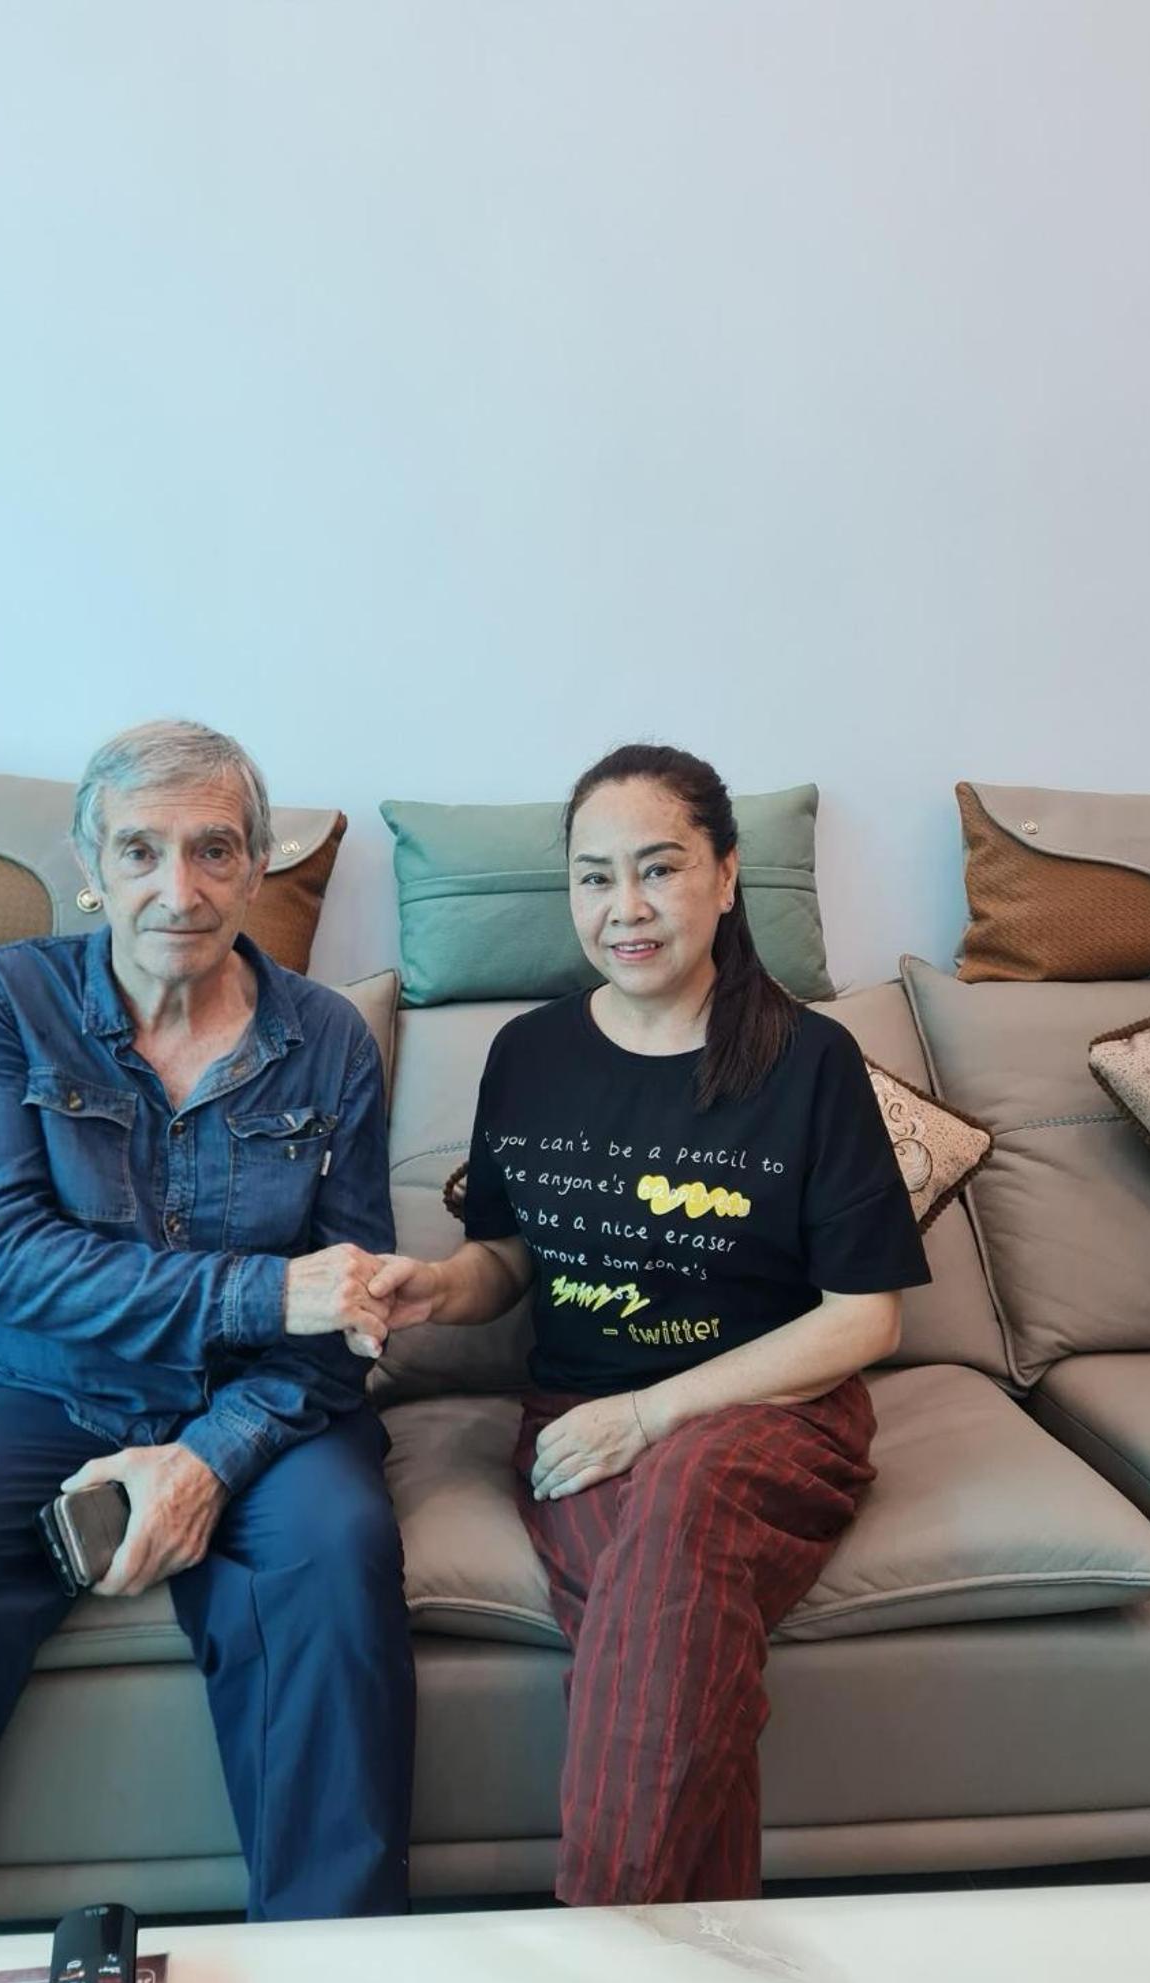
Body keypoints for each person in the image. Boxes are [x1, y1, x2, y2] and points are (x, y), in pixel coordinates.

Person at [0, 720, 413, 1939]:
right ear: (91, 862)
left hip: (266, 1403)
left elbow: (342, 1311)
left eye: (213, 849)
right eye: (140, 850)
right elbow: (11, 1265)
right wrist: (261, 1290)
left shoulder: (328, 1036)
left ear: (256, 863)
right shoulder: (8, 998)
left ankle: (332, 1974)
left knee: (338, 1564)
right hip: (44, 1388)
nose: (178, 890)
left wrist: (207, 1458)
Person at [369, 742, 930, 1905]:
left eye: (658, 868)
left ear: (726, 875)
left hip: (774, 1412)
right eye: (594, 876)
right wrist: (436, 1288)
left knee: (683, 1496)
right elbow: (509, 1258)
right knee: (669, 1623)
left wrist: (649, 1413)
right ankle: (688, 1972)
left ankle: (601, 1936)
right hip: (574, 1416)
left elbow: (864, 1318)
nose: (623, 906)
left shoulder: (811, 1060)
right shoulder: (530, 1053)